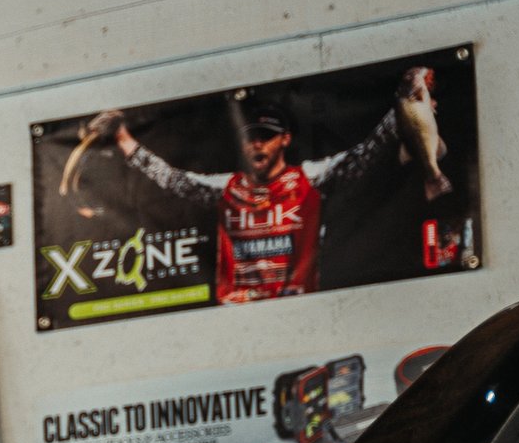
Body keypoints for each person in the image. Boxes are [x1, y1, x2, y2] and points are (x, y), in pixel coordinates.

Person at [86, 66, 429, 302]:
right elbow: (173, 180)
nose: (257, 146)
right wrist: (122, 138)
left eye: (266, 137)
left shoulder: (310, 177)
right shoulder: (227, 187)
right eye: (251, 139)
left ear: (284, 140)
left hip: (298, 306)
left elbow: (366, 153)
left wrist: (407, 101)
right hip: (237, 311)